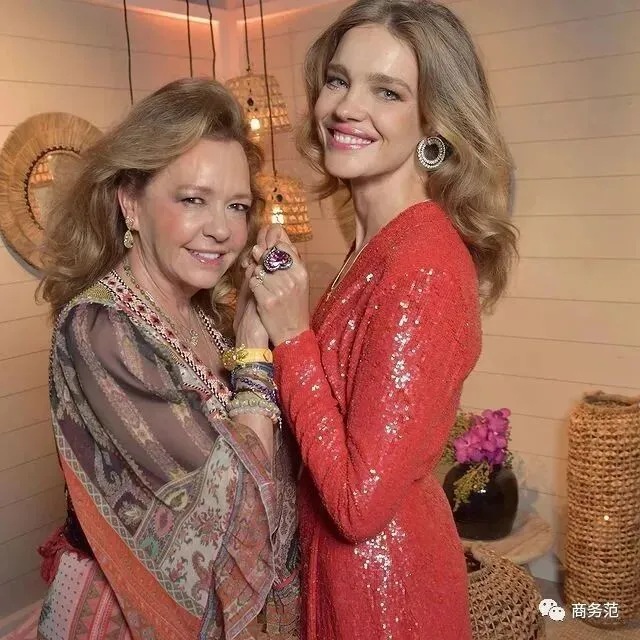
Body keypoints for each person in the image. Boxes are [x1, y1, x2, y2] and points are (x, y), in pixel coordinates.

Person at [243, 1, 518, 638]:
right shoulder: (376, 245)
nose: (346, 107)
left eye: (387, 92)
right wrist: (260, 332)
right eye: (338, 80)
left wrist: (292, 335)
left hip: (385, 594)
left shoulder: (422, 264)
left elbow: (356, 503)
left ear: (433, 122)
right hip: (350, 577)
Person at [36, 78, 299, 640]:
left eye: (237, 206)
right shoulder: (100, 328)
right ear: (130, 202)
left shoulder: (205, 314)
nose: (222, 230)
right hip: (122, 616)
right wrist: (256, 352)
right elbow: (235, 508)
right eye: (192, 199)